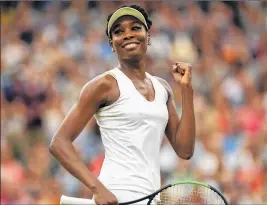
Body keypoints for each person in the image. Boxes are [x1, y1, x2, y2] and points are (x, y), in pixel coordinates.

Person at [49, 4, 195, 205]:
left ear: (148, 36)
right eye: (118, 31)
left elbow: (185, 150)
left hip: (151, 198)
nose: (127, 34)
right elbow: (59, 142)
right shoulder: (104, 85)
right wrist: (98, 189)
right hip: (115, 195)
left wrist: (186, 90)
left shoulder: (163, 88)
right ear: (112, 43)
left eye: (135, 28)